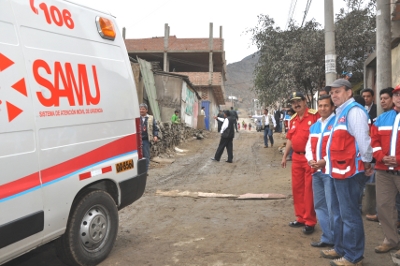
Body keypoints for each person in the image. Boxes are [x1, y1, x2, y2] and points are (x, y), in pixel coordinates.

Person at [320, 79, 373, 266]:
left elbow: (364, 140)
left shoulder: (354, 112)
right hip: (337, 172)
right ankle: (341, 248)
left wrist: (367, 163)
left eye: (338, 91)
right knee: (340, 213)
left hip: (350, 173)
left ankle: (354, 256)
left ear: (349, 92)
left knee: (349, 215)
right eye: (332, 92)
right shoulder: (340, 113)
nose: (334, 95)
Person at [281, 92, 319, 235]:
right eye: (293, 103)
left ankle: (310, 221)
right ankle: (300, 217)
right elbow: (290, 139)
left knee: (309, 190)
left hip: (310, 158)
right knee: (297, 189)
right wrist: (285, 156)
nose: (296, 104)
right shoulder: (293, 119)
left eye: (298, 101)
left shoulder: (315, 116)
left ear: (305, 102)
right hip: (296, 158)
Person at [370, 84, 400, 258]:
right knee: (384, 207)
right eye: (396, 95)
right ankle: (391, 240)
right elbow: (373, 142)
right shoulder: (381, 119)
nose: (398, 98)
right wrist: (381, 156)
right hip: (383, 171)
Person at [305, 95, 336, 248]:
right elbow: (309, 147)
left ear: (332, 107)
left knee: (332, 207)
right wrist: (311, 160)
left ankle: (338, 240)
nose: (323, 108)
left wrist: (325, 161)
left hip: (330, 172)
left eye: (326, 105)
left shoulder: (337, 123)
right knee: (319, 206)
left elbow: (337, 148)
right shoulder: (315, 125)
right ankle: (327, 237)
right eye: (321, 105)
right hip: (316, 171)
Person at [139, 103, 159, 171]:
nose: (141, 110)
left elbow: (155, 128)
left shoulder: (150, 118)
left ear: (146, 110)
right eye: (140, 109)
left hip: (146, 140)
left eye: (143, 109)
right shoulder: (137, 118)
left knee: (146, 155)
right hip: (138, 140)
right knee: (139, 156)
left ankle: (145, 170)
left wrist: (155, 135)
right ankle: (140, 171)